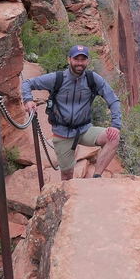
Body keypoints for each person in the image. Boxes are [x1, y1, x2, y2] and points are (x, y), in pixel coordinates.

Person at [22, 45, 122, 180]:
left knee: (114, 138)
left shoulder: (92, 79)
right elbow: (27, 83)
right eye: (76, 59)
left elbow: (113, 100)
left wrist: (116, 125)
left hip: (85, 130)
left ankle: (97, 177)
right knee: (67, 175)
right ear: (69, 60)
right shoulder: (57, 79)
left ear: (87, 61)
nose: (79, 63)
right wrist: (28, 100)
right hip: (63, 133)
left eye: (83, 59)